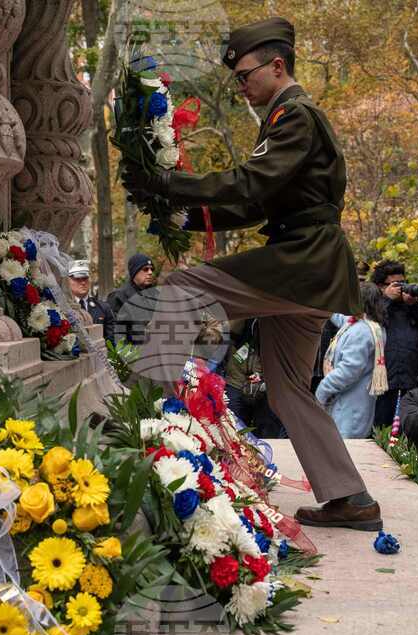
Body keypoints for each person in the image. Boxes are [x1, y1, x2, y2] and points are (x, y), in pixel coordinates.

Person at [121, 17, 381, 530]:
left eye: (244, 75)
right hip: (309, 267)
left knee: (180, 288)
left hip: (303, 261)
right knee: (287, 389)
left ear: (277, 65)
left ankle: (138, 421)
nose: (241, 86)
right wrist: (180, 213)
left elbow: (249, 183)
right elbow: (256, 204)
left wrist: (172, 184)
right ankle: (351, 499)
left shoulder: (296, 115)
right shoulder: (288, 117)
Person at [316, 283, 388, 439]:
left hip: (349, 407)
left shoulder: (361, 331)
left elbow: (348, 371)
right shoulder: (369, 326)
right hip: (356, 402)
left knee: (344, 452)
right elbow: (339, 317)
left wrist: (322, 391)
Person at [371, 259, 418, 428]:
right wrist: (386, 299)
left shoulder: (411, 307)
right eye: (395, 284)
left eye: (403, 282)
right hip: (382, 383)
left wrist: (414, 305)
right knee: (382, 432)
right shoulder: (374, 305)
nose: (401, 287)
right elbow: (371, 323)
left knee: (409, 432)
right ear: (380, 286)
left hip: (412, 380)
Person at [224, 319, 285, 439]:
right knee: (233, 426)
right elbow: (234, 376)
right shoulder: (245, 344)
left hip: (269, 388)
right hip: (238, 384)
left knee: (267, 429)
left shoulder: (282, 345)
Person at [107, 253, 155, 345]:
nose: (150, 272)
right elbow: (116, 334)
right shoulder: (118, 297)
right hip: (133, 355)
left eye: (151, 269)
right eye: (145, 269)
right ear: (134, 272)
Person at [68, 259, 115, 345]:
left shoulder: (104, 308)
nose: (83, 282)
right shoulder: (64, 309)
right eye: (77, 279)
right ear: (68, 281)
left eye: (85, 278)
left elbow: (110, 341)